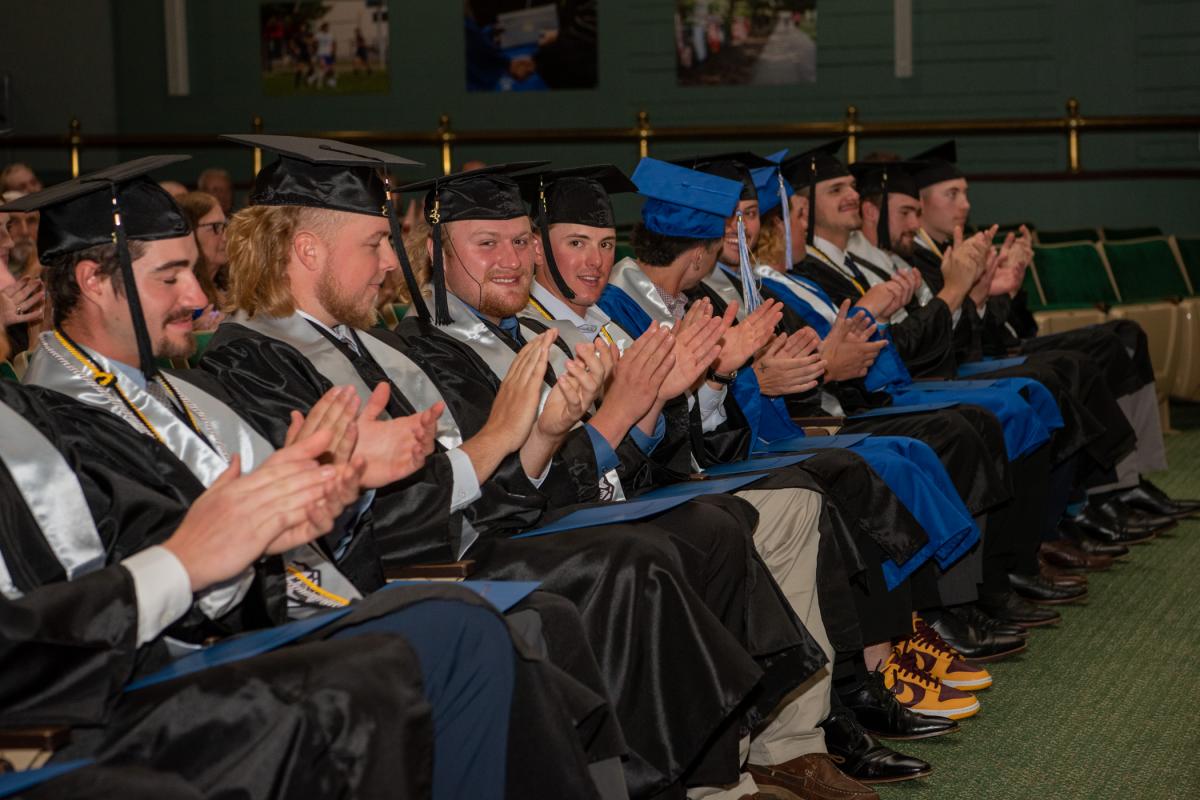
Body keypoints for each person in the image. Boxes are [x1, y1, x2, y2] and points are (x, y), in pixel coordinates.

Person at [193, 136, 832, 799]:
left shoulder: (373, 348)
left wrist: (543, 436)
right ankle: (689, 780)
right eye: (374, 244)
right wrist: (508, 440)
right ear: (308, 251)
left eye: (522, 240)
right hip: (398, 574)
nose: (390, 264)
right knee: (629, 561)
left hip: (470, 537)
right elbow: (382, 528)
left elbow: (484, 494)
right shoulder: (252, 363)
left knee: (700, 529)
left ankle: (713, 769)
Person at [3, 157, 621, 800]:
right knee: (464, 634)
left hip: (257, 614)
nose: (199, 296)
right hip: (153, 670)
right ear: (94, 283)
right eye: (172, 275)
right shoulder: (64, 420)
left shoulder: (177, 393)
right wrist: (331, 494)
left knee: (500, 620)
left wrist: (332, 493)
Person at [177, 190, 228, 329]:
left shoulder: (229, 285)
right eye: (215, 227)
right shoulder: (179, 296)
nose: (225, 238)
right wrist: (193, 331)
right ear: (190, 232)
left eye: (224, 227)